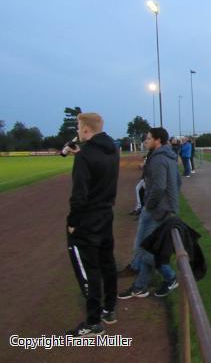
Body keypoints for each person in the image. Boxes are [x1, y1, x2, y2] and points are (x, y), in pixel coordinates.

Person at [64, 113, 119, 337]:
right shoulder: (113, 149)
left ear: (86, 129)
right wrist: (81, 152)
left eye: (78, 127)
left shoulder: (85, 155)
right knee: (107, 263)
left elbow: (79, 196)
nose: (77, 131)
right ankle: (109, 309)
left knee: (89, 270)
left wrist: (72, 223)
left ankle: (93, 323)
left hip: (87, 220)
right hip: (106, 216)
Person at [118, 127, 181, 299]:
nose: (146, 141)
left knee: (141, 250)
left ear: (157, 140)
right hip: (163, 209)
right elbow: (178, 182)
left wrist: (148, 204)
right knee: (147, 248)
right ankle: (139, 286)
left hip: (155, 210)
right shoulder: (168, 156)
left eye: (148, 138)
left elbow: (159, 187)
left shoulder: (159, 159)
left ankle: (170, 276)